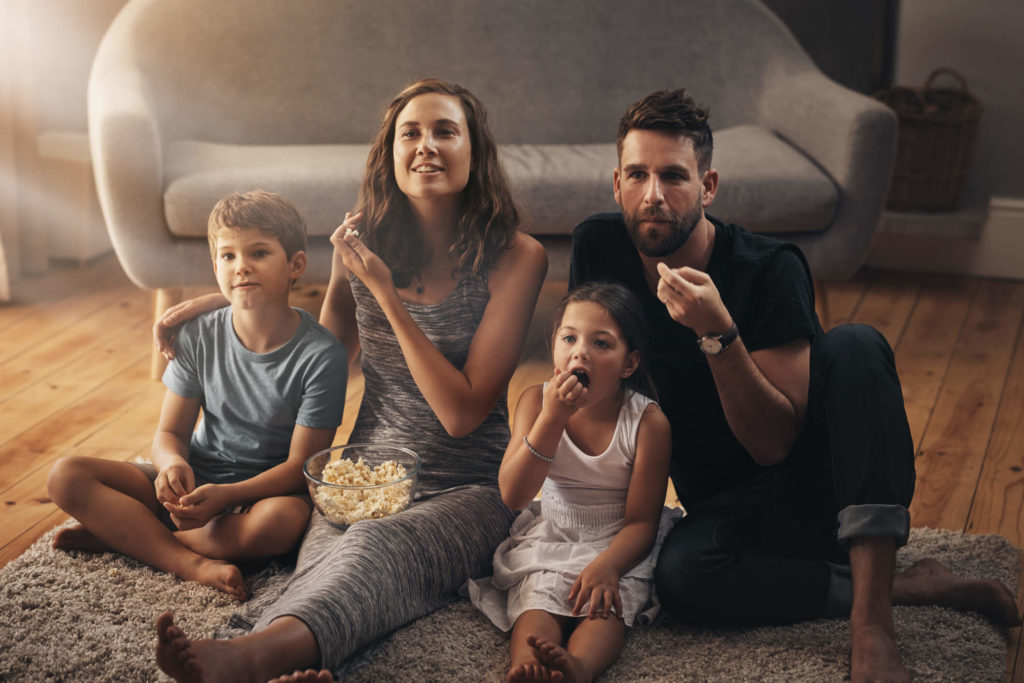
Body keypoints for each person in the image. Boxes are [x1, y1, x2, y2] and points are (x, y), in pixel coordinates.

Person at [568, 88, 1019, 683]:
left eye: (674, 176)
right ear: (617, 182)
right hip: (725, 509)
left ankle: (872, 624)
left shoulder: (768, 267)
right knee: (682, 580)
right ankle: (906, 587)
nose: (653, 195)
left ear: (708, 188)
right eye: (638, 175)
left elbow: (773, 445)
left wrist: (719, 333)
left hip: (825, 495)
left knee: (854, 343)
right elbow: (593, 398)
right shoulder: (599, 247)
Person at [153, 78, 548, 682]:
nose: (426, 146)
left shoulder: (517, 256)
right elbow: (323, 345)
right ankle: (280, 654)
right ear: (389, 155)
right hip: (362, 475)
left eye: (446, 131)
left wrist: (387, 296)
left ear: (476, 152)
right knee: (321, 558)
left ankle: (246, 659)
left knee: (371, 547)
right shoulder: (360, 238)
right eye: (409, 133)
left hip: (471, 482)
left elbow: (463, 413)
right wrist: (222, 299)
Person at [46, 190, 347, 600]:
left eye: (258, 253)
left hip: (259, 496)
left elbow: (300, 467)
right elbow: (169, 434)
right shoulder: (199, 334)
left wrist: (229, 494)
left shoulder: (322, 356)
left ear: (296, 265)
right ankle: (184, 556)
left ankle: (136, 539)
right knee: (66, 475)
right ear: (215, 265)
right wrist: (171, 466)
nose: (241, 267)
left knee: (286, 522)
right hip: (195, 481)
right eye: (228, 256)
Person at [467, 281, 678, 683]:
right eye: (569, 338)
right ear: (554, 349)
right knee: (536, 599)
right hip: (555, 533)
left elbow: (641, 522)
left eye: (601, 343)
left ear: (628, 364)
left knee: (606, 608)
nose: (580, 351)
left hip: (619, 541)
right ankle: (526, 666)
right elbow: (513, 493)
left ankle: (579, 667)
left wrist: (608, 566)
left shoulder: (648, 423)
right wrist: (552, 420)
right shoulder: (535, 401)